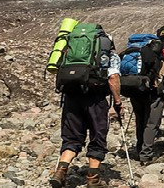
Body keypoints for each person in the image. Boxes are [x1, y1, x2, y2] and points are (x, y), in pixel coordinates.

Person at [49, 26, 122, 188]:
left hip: (71, 96)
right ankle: (93, 179)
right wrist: (117, 101)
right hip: (95, 99)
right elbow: (113, 77)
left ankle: (60, 172)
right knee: (98, 136)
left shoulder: (70, 48)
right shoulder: (109, 54)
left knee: (71, 137)